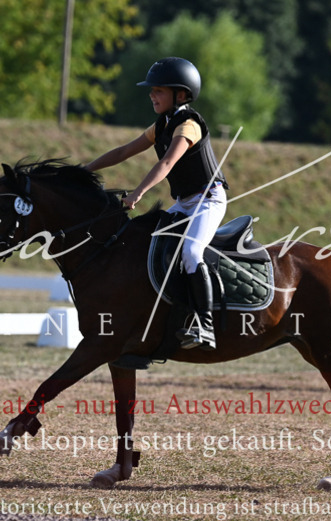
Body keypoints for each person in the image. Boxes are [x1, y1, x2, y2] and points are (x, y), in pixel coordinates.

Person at [85, 57, 227, 351]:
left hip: (208, 200)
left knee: (191, 251)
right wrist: (85, 170)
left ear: (182, 95)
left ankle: (206, 324)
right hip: (185, 202)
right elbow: (125, 150)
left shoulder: (188, 125)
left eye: (158, 90)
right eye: (152, 91)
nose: (152, 95)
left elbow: (166, 162)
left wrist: (138, 193)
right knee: (146, 242)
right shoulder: (162, 124)